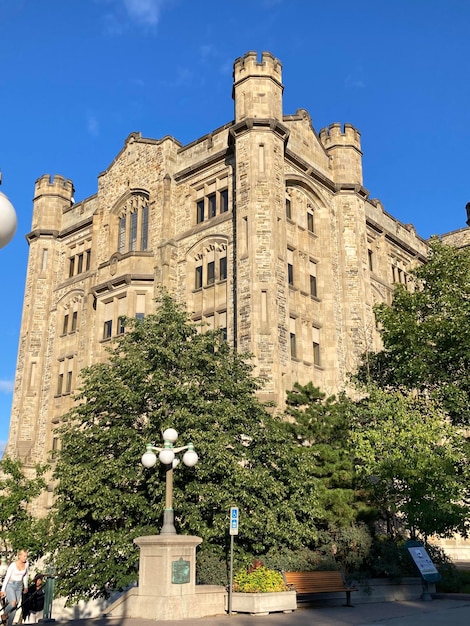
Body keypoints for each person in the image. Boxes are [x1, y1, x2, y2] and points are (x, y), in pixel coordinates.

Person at [0, 550, 29, 626]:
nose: (25, 558)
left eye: (26, 556)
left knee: (15, 607)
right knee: (13, 603)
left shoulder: (26, 564)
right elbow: (7, 577)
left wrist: (26, 586)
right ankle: (4, 615)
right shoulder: (13, 565)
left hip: (19, 585)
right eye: (24, 556)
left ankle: (9, 624)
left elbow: (25, 575)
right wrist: (3, 590)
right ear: (19, 556)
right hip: (10, 585)